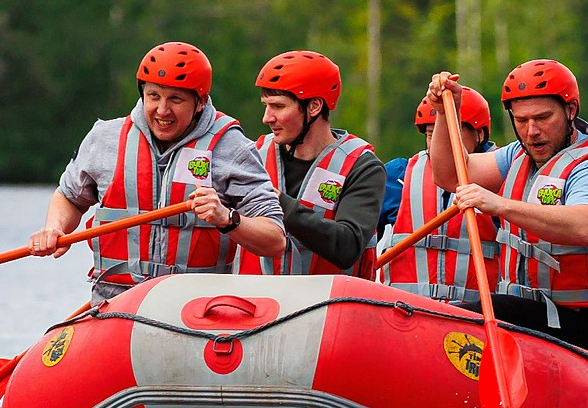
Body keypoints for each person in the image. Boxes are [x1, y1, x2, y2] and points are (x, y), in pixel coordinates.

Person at [424, 59, 588, 365]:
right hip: (545, 313)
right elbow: (450, 175)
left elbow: (583, 227)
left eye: (543, 118)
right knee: (476, 311)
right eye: (521, 120)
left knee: (495, 310)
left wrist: (500, 204)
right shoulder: (521, 152)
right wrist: (444, 114)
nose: (531, 131)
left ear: (571, 111)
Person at [32, 41, 286, 300]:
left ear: (200, 102)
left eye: (175, 99)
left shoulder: (232, 148)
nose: (162, 110)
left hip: (196, 306)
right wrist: (54, 227)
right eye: (154, 96)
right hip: (115, 300)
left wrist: (227, 218)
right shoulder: (105, 138)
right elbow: (69, 197)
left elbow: (275, 241)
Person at [236, 51, 386, 277]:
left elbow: (347, 247)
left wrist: (276, 201)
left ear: (314, 106)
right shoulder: (253, 155)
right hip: (256, 297)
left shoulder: (362, 167)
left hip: (325, 299)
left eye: (278, 106)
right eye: (266, 105)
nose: (266, 118)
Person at [374, 83, 499, 304]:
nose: (437, 145)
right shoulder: (397, 175)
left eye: (448, 133)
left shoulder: (504, 175)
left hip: (475, 316)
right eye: (432, 134)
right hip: (404, 313)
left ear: (479, 135)